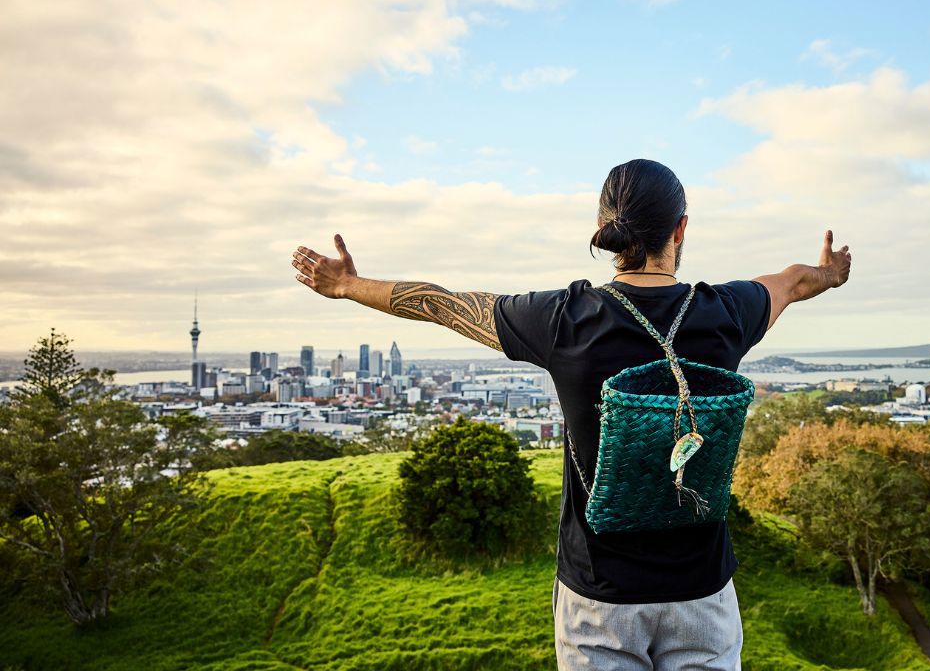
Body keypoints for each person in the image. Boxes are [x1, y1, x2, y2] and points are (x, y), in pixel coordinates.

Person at [291, 158, 851, 670]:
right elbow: (794, 280)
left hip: (599, 597)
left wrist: (346, 285)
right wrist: (831, 274)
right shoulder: (728, 311)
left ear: (609, 231)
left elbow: (441, 303)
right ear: (680, 229)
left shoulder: (564, 318)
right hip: (701, 592)